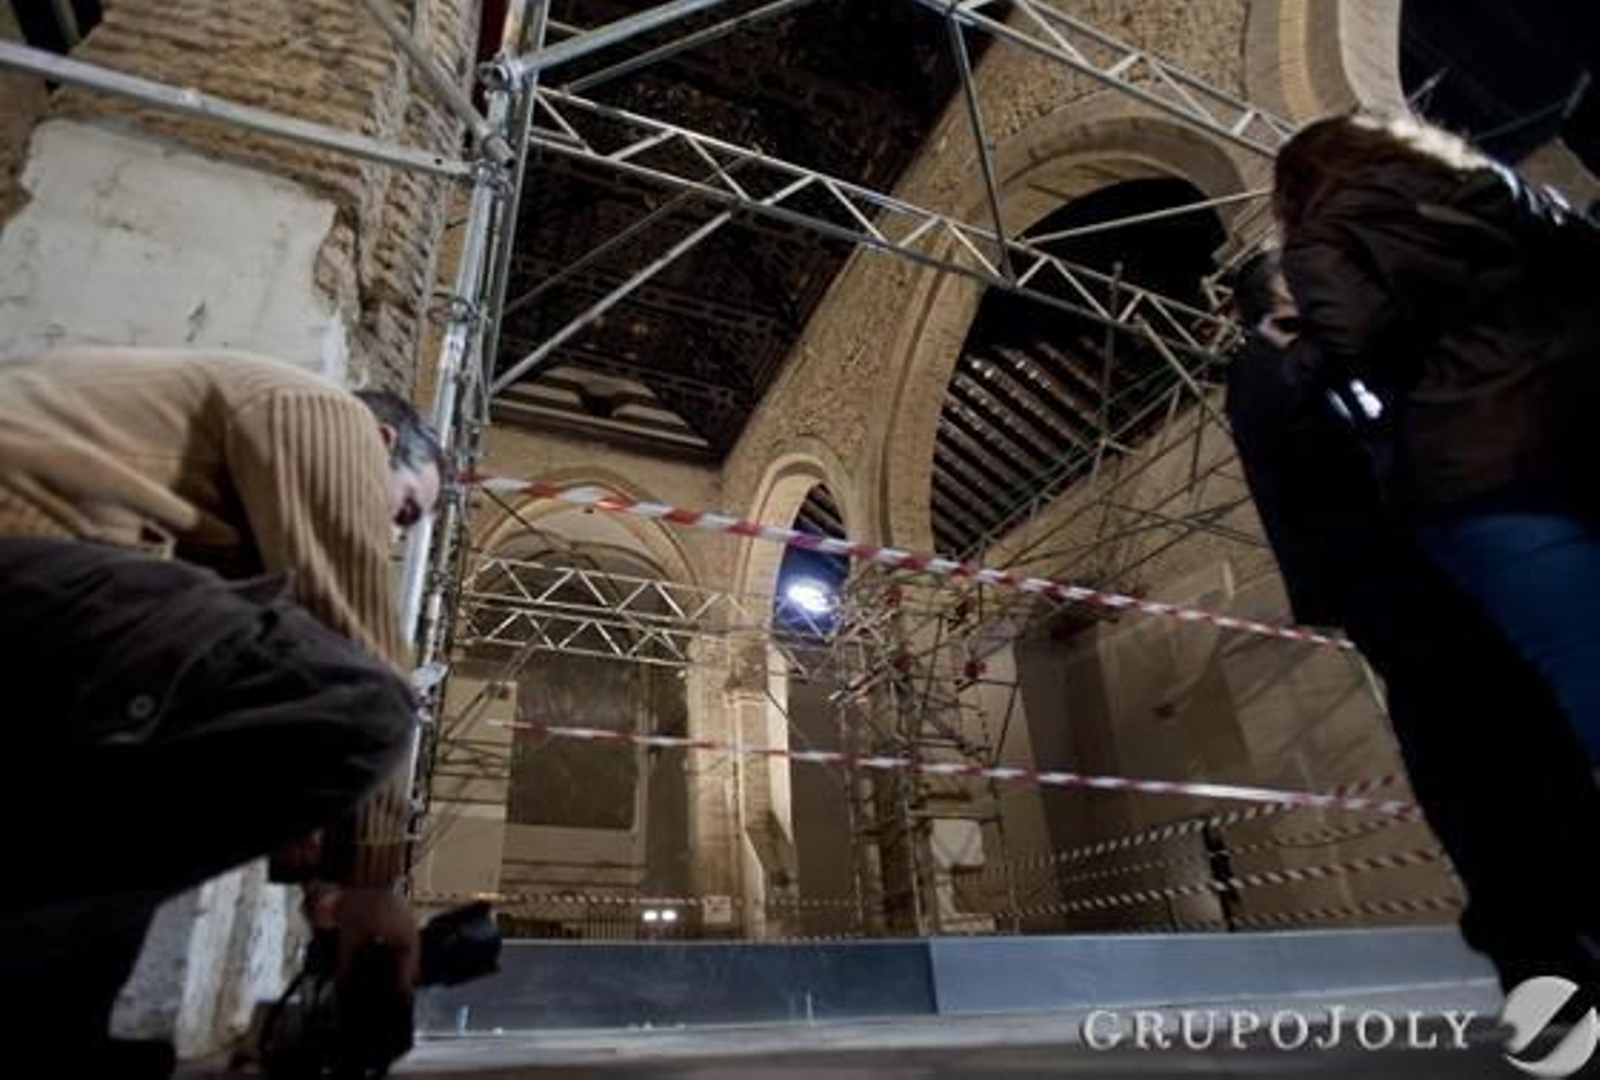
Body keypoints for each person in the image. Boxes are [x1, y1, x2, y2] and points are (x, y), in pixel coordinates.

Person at [0, 346, 446, 1072]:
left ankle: (48, 1037)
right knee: (368, 703)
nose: (394, 536)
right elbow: (356, 640)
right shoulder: (327, 414)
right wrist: (368, 878)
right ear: (385, 442)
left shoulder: (203, 510)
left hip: (48, 602)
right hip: (28, 557)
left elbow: (225, 660)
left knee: (134, 799)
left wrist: (309, 840)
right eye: (404, 510)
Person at [1226, 251, 1600, 991]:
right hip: (1396, 589)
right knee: (1473, 768)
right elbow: (1330, 455)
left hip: (1455, 578)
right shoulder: (1265, 368)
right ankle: (1537, 954)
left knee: (1542, 745)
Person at [1272, 111, 1600, 763]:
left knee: (1583, 658)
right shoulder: (1493, 184)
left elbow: (1354, 339)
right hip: (1578, 418)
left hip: (1478, 466)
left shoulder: (1321, 236)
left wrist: (1301, 356)